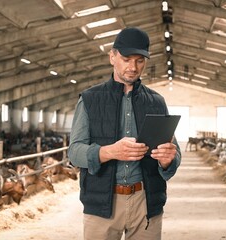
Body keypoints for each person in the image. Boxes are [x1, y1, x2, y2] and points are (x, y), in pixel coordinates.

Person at [68, 27, 181, 240]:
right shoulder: (90, 100)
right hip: (102, 203)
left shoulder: (156, 102)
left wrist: (168, 160)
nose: (133, 67)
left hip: (145, 202)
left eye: (139, 60)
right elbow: (74, 152)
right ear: (112, 57)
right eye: (127, 59)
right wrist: (109, 152)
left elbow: (174, 153)